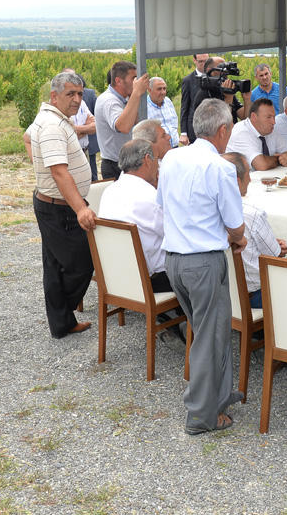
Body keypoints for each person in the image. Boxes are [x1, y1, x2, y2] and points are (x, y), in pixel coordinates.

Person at [157, 99, 246, 435]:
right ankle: (201, 415)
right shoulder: (220, 167)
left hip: (175, 261)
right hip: (204, 262)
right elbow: (235, 223)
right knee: (210, 338)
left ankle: (217, 397)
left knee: (210, 335)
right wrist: (238, 238)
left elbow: (162, 205)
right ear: (222, 131)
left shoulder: (172, 158)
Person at [27, 71, 96, 338]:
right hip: (59, 208)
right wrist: (81, 208)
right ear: (54, 96)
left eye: (80, 94)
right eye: (71, 94)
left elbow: (27, 138)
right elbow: (59, 171)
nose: (77, 99)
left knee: (55, 266)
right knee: (82, 263)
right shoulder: (53, 125)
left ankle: (61, 323)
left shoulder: (51, 118)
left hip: (54, 203)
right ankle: (61, 314)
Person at [97, 139, 170, 292]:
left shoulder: (109, 191)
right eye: (157, 160)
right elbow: (173, 233)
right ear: (147, 160)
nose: (158, 166)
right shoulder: (150, 197)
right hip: (151, 280)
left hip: (116, 274)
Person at [222, 153, 287, 308]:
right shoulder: (251, 213)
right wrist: (281, 248)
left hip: (221, 294)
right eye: (248, 174)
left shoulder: (204, 212)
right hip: (255, 297)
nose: (250, 179)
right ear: (237, 181)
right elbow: (276, 256)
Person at [94, 61, 150, 180]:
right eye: (133, 79)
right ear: (118, 81)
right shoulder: (109, 101)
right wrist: (136, 93)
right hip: (114, 166)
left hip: (125, 162)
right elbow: (123, 127)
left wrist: (133, 96)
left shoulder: (123, 99)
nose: (136, 83)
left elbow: (135, 122)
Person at [227, 98, 287, 170]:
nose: (274, 122)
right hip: (239, 181)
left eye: (273, 117)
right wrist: (280, 159)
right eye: (268, 117)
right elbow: (261, 165)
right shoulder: (241, 132)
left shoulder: (269, 130)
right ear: (254, 117)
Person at [63, 68, 98, 181]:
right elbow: (67, 132)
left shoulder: (83, 102)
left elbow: (95, 126)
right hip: (71, 154)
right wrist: (85, 129)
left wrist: (77, 130)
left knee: (91, 181)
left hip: (86, 150)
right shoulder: (59, 106)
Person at [178, 52, 209, 144]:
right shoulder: (188, 81)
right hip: (194, 129)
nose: (204, 64)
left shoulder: (216, 78)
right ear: (194, 60)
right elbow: (184, 107)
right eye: (201, 62)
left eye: (206, 61)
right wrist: (183, 133)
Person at [146, 77, 181, 147]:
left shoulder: (168, 101)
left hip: (175, 147)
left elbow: (174, 122)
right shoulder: (144, 107)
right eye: (159, 89)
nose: (163, 92)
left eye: (164, 88)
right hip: (158, 151)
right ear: (149, 90)